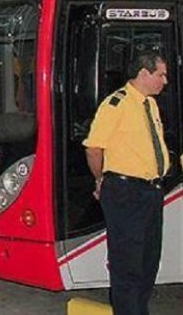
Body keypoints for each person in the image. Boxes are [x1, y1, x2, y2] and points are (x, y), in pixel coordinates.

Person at [84, 52, 170, 315]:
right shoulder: (116, 104)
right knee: (127, 264)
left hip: (151, 191)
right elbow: (93, 147)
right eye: (161, 75)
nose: (165, 81)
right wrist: (101, 179)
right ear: (144, 74)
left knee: (148, 262)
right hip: (125, 192)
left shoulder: (150, 104)